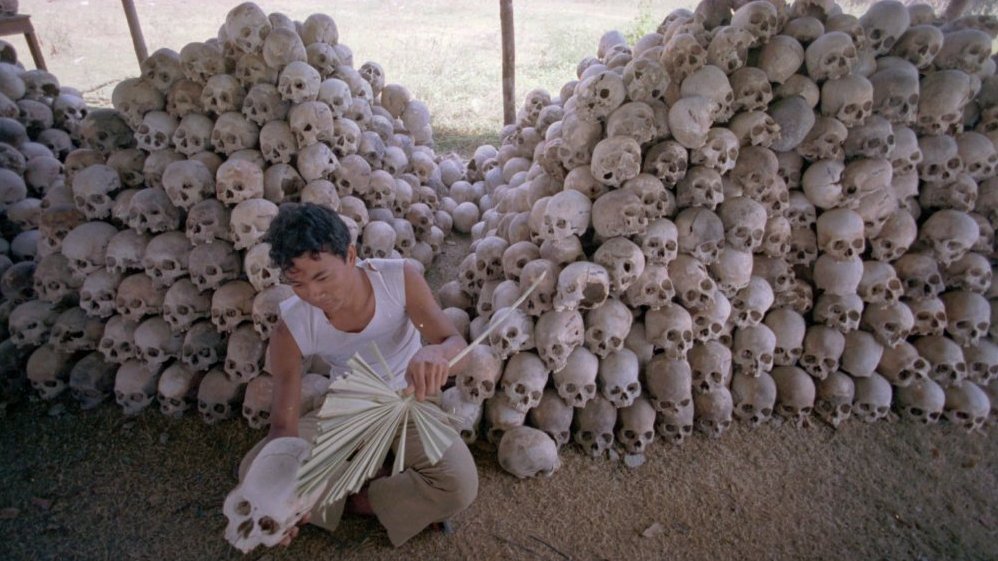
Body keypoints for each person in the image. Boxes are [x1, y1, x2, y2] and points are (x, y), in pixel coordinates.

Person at [241, 202, 478, 547]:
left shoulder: (400, 280)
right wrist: (281, 488)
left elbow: (457, 346)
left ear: (350, 256)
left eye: (322, 276)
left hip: (409, 399)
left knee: (459, 484)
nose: (314, 294)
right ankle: (360, 493)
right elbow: (282, 427)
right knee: (254, 474)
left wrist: (438, 353)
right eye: (298, 283)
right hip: (346, 407)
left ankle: (360, 497)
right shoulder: (290, 327)